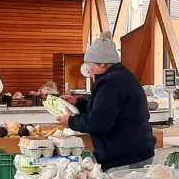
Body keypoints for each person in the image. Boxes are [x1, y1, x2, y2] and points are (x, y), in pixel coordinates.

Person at [57, 32, 156, 170]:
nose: (89, 70)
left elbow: (99, 123)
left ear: (102, 64)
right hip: (136, 153)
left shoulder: (109, 83)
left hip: (125, 158)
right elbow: (106, 110)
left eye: (90, 64)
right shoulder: (121, 76)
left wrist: (71, 121)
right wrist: (79, 103)